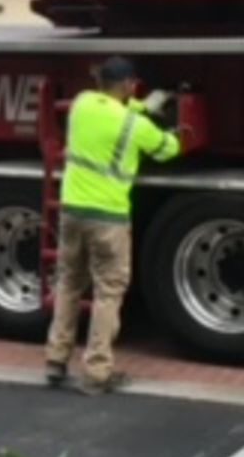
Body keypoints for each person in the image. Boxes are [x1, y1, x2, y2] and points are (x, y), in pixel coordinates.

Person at [44, 57, 183, 393]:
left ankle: (55, 359)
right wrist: (168, 124)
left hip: (72, 211)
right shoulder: (135, 126)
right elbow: (169, 150)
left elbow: (116, 107)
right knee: (108, 291)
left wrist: (138, 104)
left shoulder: (81, 104)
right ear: (128, 85)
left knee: (68, 283)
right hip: (108, 217)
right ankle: (97, 371)